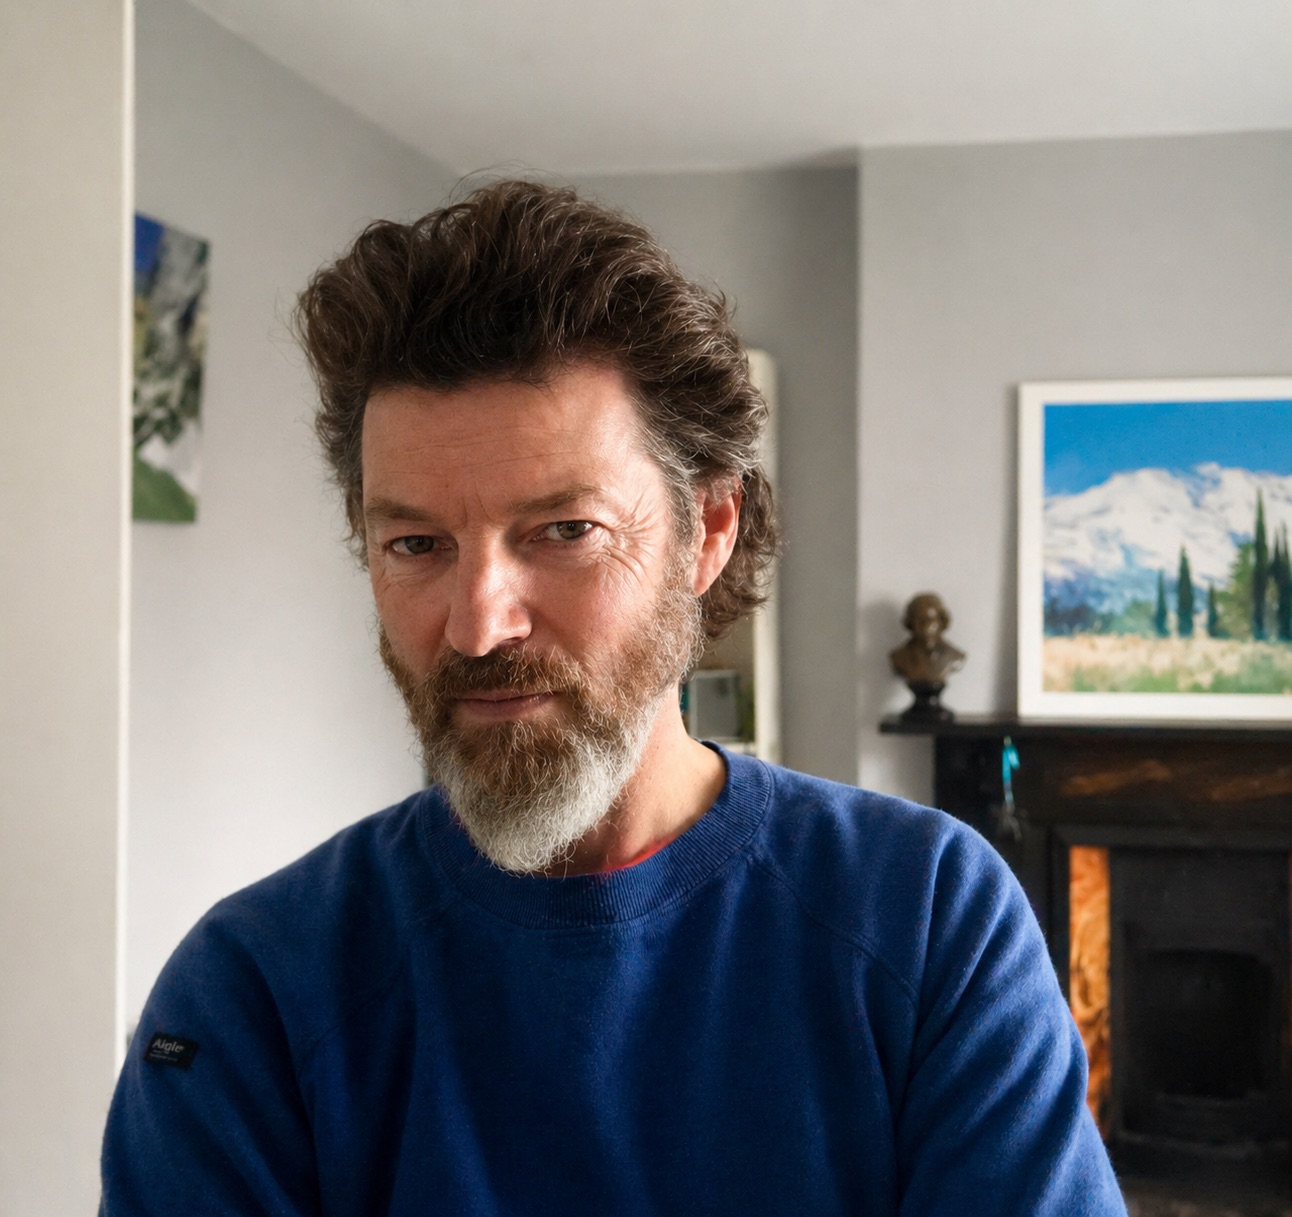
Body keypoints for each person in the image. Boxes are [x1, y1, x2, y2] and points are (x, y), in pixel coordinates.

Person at [100, 180, 1126, 1216]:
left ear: (707, 532)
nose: (478, 625)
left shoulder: (927, 921)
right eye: (415, 543)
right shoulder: (254, 992)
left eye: (565, 530)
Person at [889, 591, 967, 686]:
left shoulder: (955, 656)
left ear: (941, 621)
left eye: (930, 619)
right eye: (920, 620)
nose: (925, 626)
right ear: (910, 622)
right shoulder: (899, 657)